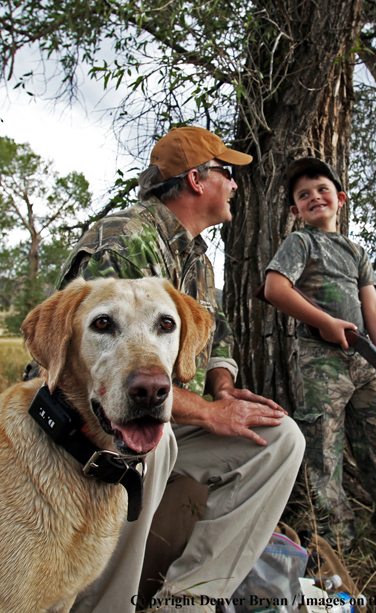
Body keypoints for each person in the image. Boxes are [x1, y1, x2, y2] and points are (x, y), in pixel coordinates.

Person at [57, 127, 305, 612]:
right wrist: (210, 415)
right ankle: (107, 606)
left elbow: (216, 334)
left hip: (158, 412)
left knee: (282, 439)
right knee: (150, 432)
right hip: (83, 426)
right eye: (227, 174)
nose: (235, 185)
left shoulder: (197, 259)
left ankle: (187, 600)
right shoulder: (125, 241)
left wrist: (223, 389)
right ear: (196, 179)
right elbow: (106, 377)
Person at [263, 156, 376, 553]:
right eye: (304, 195)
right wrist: (326, 322)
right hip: (321, 361)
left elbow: (374, 309)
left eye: (322, 189)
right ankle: (333, 544)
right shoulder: (300, 242)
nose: (315, 197)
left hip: (364, 364)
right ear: (294, 209)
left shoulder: (355, 250)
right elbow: (275, 288)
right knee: (322, 453)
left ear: (341, 198)